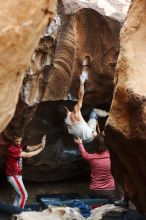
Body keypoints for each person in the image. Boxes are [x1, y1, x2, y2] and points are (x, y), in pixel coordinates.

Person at [57, 56, 100, 144]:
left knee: (82, 125)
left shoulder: (65, 125)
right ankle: (98, 134)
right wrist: (81, 82)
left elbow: (68, 128)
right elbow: (81, 96)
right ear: (66, 108)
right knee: (94, 112)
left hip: (82, 141)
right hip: (91, 136)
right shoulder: (76, 111)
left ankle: (91, 129)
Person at [6, 134, 46, 209]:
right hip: (13, 175)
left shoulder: (19, 146)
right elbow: (28, 155)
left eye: (20, 140)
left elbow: (30, 148)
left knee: (18, 195)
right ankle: (19, 213)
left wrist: (41, 144)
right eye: (17, 141)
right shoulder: (12, 149)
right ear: (13, 140)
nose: (19, 142)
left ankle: (14, 213)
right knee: (24, 195)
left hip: (17, 175)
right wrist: (41, 149)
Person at [74, 134, 116, 202]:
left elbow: (84, 154)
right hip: (109, 190)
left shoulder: (91, 158)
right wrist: (97, 137)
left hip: (95, 190)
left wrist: (80, 143)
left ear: (94, 146)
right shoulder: (110, 155)